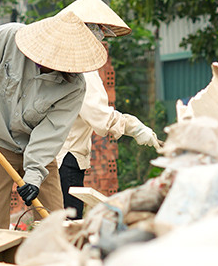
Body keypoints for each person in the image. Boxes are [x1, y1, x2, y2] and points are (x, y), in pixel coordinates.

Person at [0, 9, 108, 228]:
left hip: (37, 153)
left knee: (53, 222)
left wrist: (34, 178)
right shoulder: (12, 37)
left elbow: (49, 135)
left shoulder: (74, 86)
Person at [57, 69, 161, 218]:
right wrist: (134, 128)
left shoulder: (52, 67)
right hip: (67, 156)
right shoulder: (83, 72)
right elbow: (100, 116)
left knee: (51, 223)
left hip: (48, 156)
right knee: (69, 226)